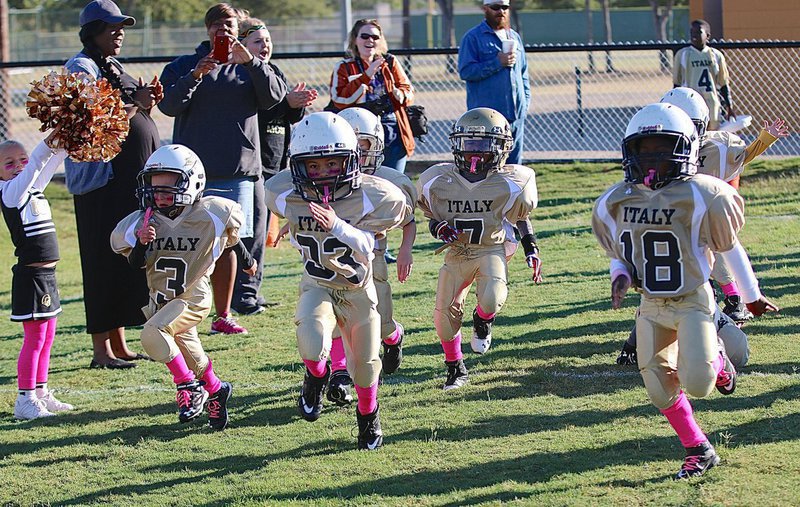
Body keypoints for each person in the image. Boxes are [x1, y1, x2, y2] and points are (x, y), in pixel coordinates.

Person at [592, 103, 778, 479]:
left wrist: (751, 294)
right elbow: (621, 252)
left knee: (700, 384)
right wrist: (620, 276)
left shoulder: (705, 194)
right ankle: (699, 450)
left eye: (662, 147)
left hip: (693, 301)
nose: (653, 159)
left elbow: (729, 248)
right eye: (645, 150)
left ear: (684, 150)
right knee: (659, 387)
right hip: (650, 305)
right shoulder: (616, 201)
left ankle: (721, 364)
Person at [265, 112, 410, 450]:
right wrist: (299, 228)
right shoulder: (288, 194)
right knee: (312, 339)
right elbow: (294, 217)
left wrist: (336, 226)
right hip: (318, 284)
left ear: (349, 160)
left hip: (358, 290)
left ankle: (368, 415)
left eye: (331, 164)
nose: (322, 173)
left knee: (365, 367)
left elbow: (369, 246)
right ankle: (315, 377)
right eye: (313, 167)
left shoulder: (374, 195)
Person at [158, 3, 287, 334]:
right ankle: (181, 316)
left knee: (233, 243)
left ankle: (223, 315)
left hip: (239, 172)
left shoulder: (249, 66)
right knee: (191, 246)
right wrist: (196, 75)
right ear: (207, 30)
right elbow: (168, 105)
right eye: (216, 25)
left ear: (238, 28)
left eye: (229, 25)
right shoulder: (184, 66)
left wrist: (253, 63)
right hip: (192, 176)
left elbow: (274, 98)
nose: (223, 31)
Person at [111, 145, 256, 430]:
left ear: (192, 181)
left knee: (152, 333)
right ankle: (216, 389)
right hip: (163, 301)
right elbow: (134, 264)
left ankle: (187, 386)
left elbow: (230, 238)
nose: (160, 192)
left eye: (169, 184)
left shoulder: (213, 213)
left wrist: (248, 261)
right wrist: (142, 242)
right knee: (196, 360)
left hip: (192, 297)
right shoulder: (141, 223)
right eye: (155, 184)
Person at [65, 0, 161, 368]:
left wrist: (147, 104)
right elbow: (91, 123)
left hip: (124, 183)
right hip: (100, 184)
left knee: (122, 256)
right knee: (102, 260)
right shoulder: (81, 68)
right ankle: (101, 351)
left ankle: (119, 344)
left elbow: (128, 114)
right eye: (111, 28)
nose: (119, 33)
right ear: (93, 33)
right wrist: (135, 105)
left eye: (121, 27)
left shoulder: (112, 65)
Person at [416, 107, 539, 391]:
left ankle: (482, 320)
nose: (474, 153)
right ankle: (455, 367)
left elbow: (520, 217)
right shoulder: (437, 180)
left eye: (483, 146)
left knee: (492, 296)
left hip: (490, 248)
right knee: (444, 316)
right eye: (468, 144)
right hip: (457, 253)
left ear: (500, 148)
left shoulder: (511, 181)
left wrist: (531, 247)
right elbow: (430, 218)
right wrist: (440, 229)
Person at [659, 87, 789, 323]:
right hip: (679, 213)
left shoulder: (718, 146)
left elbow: (743, 156)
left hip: (710, 212)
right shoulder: (660, 150)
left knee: (718, 252)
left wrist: (764, 139)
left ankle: (735, 299)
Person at [325, 107, 417, 406]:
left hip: (373, 259)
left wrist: (405, 249)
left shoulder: (388, 182)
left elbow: (408, 220)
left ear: (375, 146)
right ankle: (339, 372)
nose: (354, 154)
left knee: (382, 323)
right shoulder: (326, 179)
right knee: (338, 318)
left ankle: (394, 337)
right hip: (335, 260)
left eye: (361, 146)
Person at [232, 18, 316, 315]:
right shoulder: (242, 74)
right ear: (242, 45)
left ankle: (253, 291)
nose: (264, 46)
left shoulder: (272, 70)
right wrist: (286, 103)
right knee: (247, 233)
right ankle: (242, 296)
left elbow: (285, 116)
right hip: (254, 161)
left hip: (275, 161)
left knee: (262, 232)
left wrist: (297, 105)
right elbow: (258, 113)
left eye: (267, 41)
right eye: (257, 42)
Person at [1, 130, 75, 420]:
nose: (19, 165)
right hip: (31, 277)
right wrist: (47, 142)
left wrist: (68, 143)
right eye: (9, 163)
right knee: (34, 339)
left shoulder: (31, 189)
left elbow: (47, 165)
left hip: (48, 275)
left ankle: (41, 393)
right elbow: (35, 166)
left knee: (47, 337)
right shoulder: (10, 193)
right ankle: (25, 399)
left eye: (21, 158)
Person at [329, 18, 415, 174]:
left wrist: (399, 94)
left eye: (375, 37)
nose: (370, 40)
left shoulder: (390, 62)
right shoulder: (344, 66)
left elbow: (408, 90)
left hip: (392, 130)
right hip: (359, 134)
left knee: (394, 181)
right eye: (365, 36)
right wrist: (367, 75)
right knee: (362, 182)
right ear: (355, 39)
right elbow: (338, 99)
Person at [458, 0, 530, 165]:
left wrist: (524, 104)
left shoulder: (514, 37)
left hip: (514, 116)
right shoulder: (473, 38)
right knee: (488, 167)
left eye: (505, 7)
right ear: (485, 9)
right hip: (486, 121)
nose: (501, 11)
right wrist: (497, 62)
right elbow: (466, 71)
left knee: (514, 167)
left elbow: (524, 74)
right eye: (495, 7)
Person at [673, 19, 734, 132]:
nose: (694, 35)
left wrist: (729, 106)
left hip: (711, 102)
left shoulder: (716, 55)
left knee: (712, 134)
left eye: (698, 32)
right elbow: (676, 84)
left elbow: (724, 83)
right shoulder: (683, 55)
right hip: (690, 103)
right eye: (692, 33)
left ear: (707, 35)